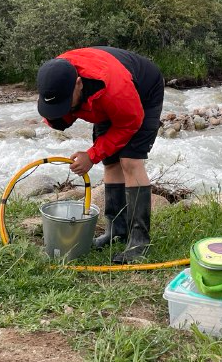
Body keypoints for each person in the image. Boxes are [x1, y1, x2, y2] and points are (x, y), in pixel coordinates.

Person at [36, 46, 164, 264]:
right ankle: (116, 231)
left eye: (66, 102)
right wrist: (56, 116)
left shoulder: (114, 88)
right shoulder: (55, 76)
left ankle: (139, 241)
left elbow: (130, 122)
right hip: (105, 99)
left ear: (78, 83)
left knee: (129, 161)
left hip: (142, 92)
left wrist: (91, 155)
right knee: (111, 162)